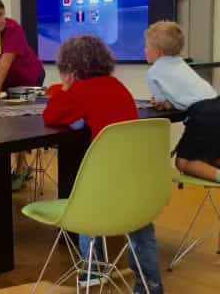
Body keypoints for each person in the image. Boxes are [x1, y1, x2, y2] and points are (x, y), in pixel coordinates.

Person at [43, 35, 163, 294]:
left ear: (71, 72)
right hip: (141, 182)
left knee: (87, 202)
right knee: (141, 227)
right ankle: (150, 287)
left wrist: (60, 90)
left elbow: (51, 115)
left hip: (107, 186)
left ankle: (92, 273)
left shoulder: (80, 89)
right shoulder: (116, 85)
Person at [0, 0, 45, 189]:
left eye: (1, 14)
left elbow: (4, 64)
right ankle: (4, 169)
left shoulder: (14, 29)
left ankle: (20, 169)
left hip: (28, 78)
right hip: (4, 83)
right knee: (3, 122)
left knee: (19, 123)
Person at [145, 21, 219, 182]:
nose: (144, 50)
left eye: (147, 46)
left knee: (182, 162)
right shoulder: (181, 64)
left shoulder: (154, 72)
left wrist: (162, 102)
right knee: (211, 156)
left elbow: (161, 102)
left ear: (157, 52)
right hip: (216, 104)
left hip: (202, 115)